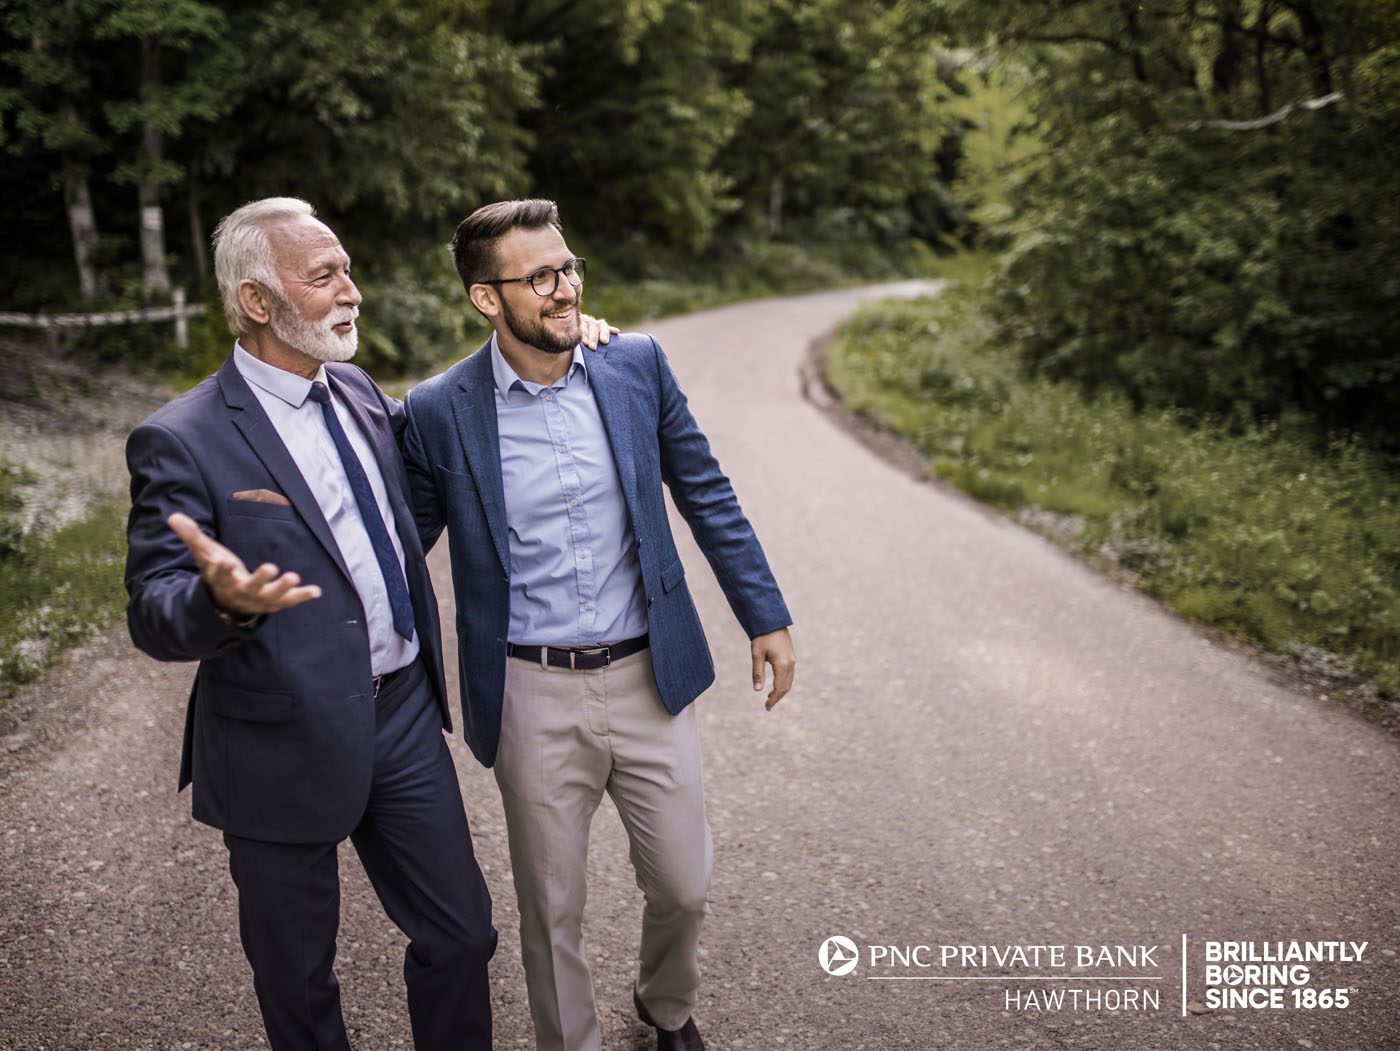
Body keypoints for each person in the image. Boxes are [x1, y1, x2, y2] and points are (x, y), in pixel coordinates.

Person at [402, 198, 797, 1051]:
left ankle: (665, 1005)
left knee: (684, 883)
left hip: (650, 674)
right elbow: (399, 543)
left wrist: (762, 613)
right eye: (538, 276)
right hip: (528, 692)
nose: (564, 287)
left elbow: (707, 491)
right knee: (551, 909)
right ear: (486, 299)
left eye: (569, 266)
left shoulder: (635, 365)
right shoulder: (439, 410)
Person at [124, 196, 510, 1051]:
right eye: (325, 275)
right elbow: (153, 610)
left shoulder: (361, 392)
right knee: (298, 979)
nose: (353, 291)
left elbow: (466, 417)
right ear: (259, 302)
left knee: (463, 935)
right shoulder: (178, 438)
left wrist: (560, 322)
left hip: (401, 709)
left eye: (347, 270)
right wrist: (219, 600)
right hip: (275, 733)